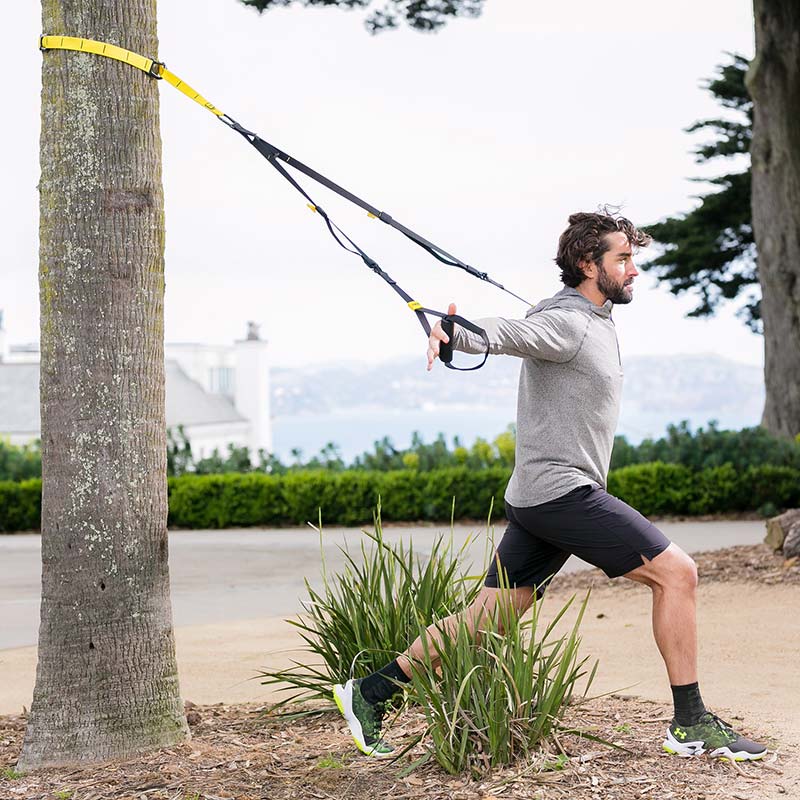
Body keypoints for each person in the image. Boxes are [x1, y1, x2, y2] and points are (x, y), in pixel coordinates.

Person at [333, 210, 766, 762]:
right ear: (587, 263)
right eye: (623, 259)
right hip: (562, 493)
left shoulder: (588, 317)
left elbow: (532, 326)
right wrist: (456, 333)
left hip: (538, 496)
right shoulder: (569, 323)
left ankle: (370, 694)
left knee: (487, 617)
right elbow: (510, 333)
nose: (634, 270)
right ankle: (691, 723)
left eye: (632, 259)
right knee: (677, 574)